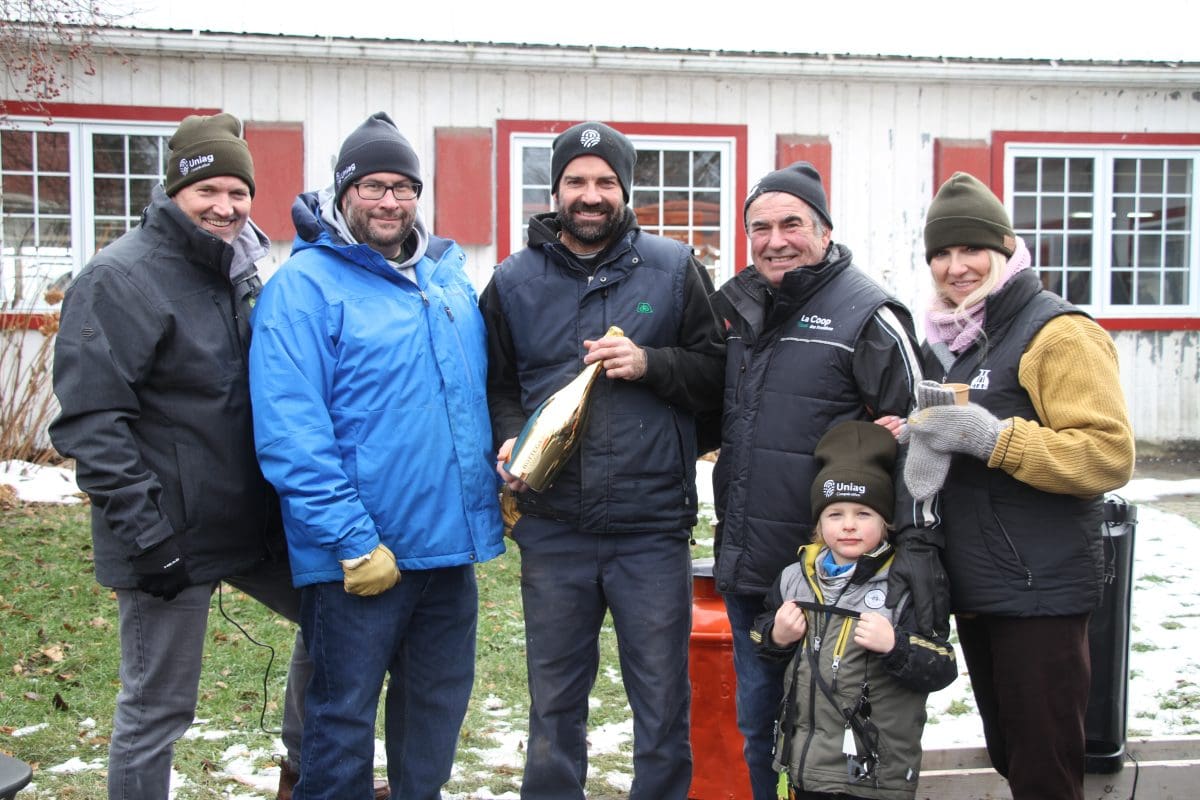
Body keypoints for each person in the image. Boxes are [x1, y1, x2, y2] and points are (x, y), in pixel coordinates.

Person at [48, 113, 320, 800]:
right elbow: (90, 422)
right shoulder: (120, 279)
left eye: (238, 192)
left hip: (246, 524)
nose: (225, 208)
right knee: (157, 709)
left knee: (337, 614)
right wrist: (148, 538)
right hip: (163, 534)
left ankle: (303, 769)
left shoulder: (243, 269)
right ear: (174, 192)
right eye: (208, 193)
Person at [248, 111, 504, 800]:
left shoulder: (446, 282)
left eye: (403, 186)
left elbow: (469, 401)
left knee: (434, 722)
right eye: (372, 186)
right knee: (339, 725)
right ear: (342, 193)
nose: (389, 201)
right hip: (361, 561)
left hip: (448, 555)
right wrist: (352, 540)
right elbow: (291, 434)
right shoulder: (303, 290)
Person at [480, 121, 725, 800]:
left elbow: (716, 375)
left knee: (661, 707)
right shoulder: (513, 281)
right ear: (555, 190)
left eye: (605, 182)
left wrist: (651, 363)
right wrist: (507, 434)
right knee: (554, 706)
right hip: (554, 527)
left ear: (625, 189)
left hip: (649, 529)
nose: (591, 195)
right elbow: (494, 384)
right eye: (577, 181)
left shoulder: (675, 269)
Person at [710, 161, 948, 800]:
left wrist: (908, 564)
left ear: (824, 230)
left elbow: (922, 440)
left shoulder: (867, 315)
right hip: (758, 572)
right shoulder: (740, 311)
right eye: (759, 227)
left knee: (845, 737)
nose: (775, 239)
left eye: (792, 223)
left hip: (843, 581)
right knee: (761, 728)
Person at [903, 171, 1135, 800]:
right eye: (941, 254)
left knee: (1045, 768)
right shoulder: (952, 338)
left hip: (1040, 586)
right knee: (1012, 751)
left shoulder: (1057, 333)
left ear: (1005, 250)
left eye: (971, 249)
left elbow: (1107, 454)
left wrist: (993, 439)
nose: (956, 267)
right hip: (982, 582)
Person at [751, 421, 957, 799]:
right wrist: (776, 635)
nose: (848, 525)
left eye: (863, 513)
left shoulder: (905, 584)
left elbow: (943, 665)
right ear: (818, 523)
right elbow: (761, 636)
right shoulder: (794, 578)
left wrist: (895, 646)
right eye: (835, 514)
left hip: (874, 774)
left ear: (886, 521)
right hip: (805, 769)